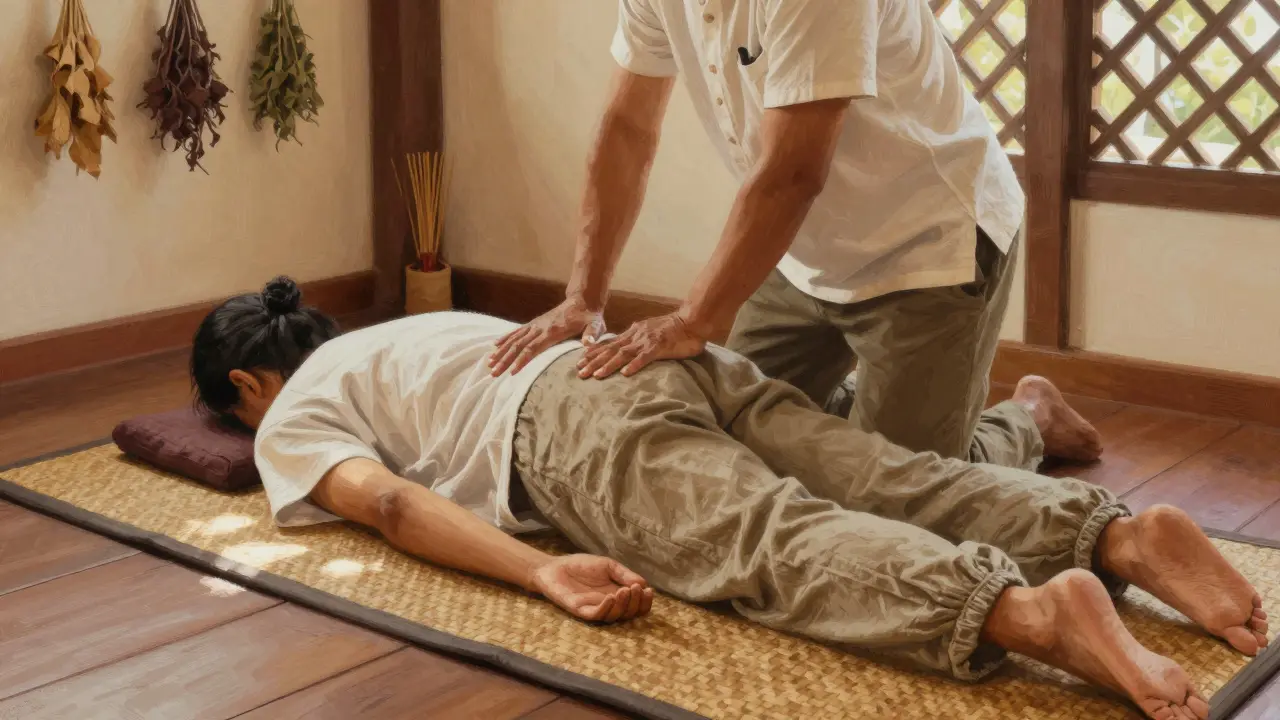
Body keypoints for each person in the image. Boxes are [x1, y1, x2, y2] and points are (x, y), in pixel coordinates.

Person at [193, 279, 1268, 720]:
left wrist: (538, 568)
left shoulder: (288, 416)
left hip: (572, 432)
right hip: (644, 358)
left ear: (247, 387)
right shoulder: (414, 324)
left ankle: (1025, 613)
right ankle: (1119, 539)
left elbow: (383, 507)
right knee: (878, 471)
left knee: (772, 540)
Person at [488, 0, 1104, 472]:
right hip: (800, 249)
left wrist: (691, 321)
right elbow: (627, 126)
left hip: (928, 241)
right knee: (730, 441)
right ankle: (886, 399)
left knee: (897, 498)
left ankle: (1028, 418)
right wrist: (584, 298)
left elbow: (791, 174)